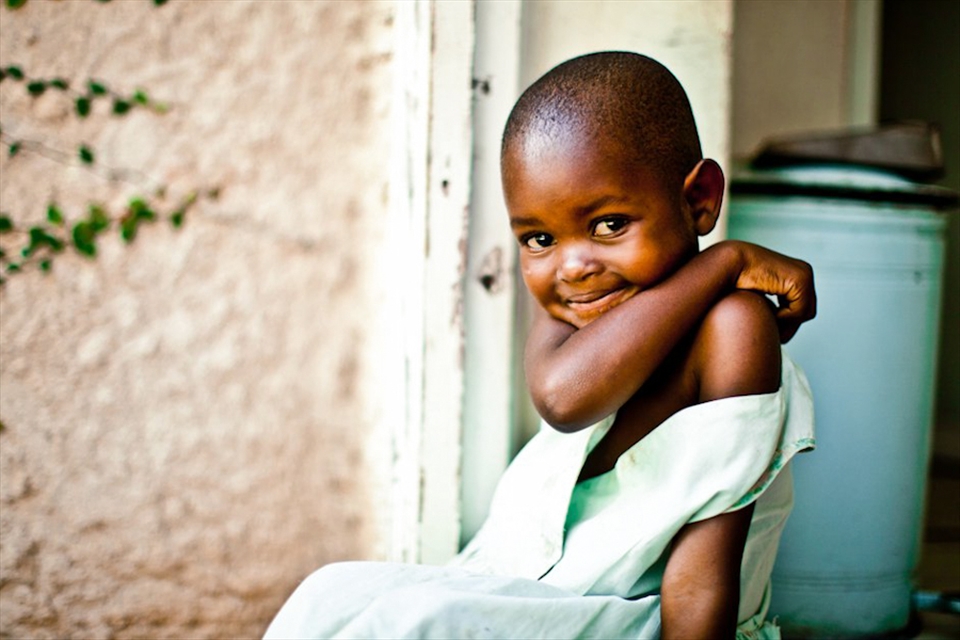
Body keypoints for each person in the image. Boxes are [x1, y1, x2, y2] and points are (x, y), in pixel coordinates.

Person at [264, 51, 816, 640]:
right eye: (539, 237)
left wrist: (724, 263)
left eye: (609, 224)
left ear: (700, 199)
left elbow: (700, 580)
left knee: (420, 624)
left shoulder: (732, 329)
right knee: (328, 594)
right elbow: (562, 394)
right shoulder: (577, 311)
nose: (573, 266)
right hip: (528, 586)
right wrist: (729, 259)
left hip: (637, 615)